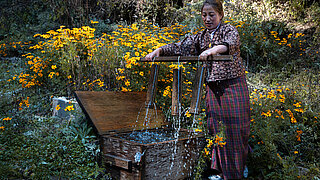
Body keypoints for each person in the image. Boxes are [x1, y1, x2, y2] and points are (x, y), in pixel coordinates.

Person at [144, 0, 250, 179]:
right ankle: (218, 171)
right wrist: (159, 51)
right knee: (215, 128)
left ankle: (237, 172)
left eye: (212, 15)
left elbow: (229, 44)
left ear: (220, 15)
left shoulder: (229, 30)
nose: (207, 19)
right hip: (213, 88)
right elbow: (180, 46)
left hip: (232, 85)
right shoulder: (200, 37)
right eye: (204, 15)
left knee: (236, 129)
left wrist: (212, 51)